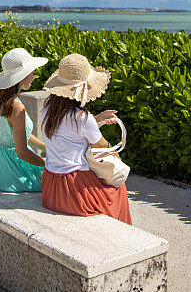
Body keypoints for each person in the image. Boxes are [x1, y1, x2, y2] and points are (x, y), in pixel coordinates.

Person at [40, 53, 132, 225]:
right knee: (117, 190)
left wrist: (97, 120)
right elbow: (104, 147)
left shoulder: (48, 108)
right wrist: (117, 158)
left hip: (51, 187)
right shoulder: (83, 118)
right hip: (73, 190)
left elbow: (70, 131)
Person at [0, 48, 48, 192]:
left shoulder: (1, 100)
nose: (34, 76)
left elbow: (21, 135)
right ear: (23, 76)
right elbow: (22, 152)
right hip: (11, 169)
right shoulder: (17, 107)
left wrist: (45, 148)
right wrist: (47, 164)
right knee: (59, 183)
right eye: (32, 73)